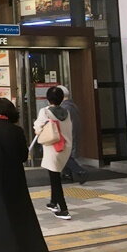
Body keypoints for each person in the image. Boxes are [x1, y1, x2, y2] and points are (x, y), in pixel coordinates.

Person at [0, 98, 48, 252]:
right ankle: (26, 245)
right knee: (19, 212)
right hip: (14, 179)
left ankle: (1, 246)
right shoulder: (17, 130)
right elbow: (23, 156)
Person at [33, 86, 73, 220]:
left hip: (53, 147)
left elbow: (38, 128)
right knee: (54, 174)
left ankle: (64, 209)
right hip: (65, 147)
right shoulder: (67, 112)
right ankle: (53, 202)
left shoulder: (45, 111)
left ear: (48, 98)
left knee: (55, 178)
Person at [59, 85, 88, 184]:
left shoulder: (65, 107)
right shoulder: (72, 106)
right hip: (72, 133)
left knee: (65, 155)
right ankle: (67, 174)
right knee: (66, 155)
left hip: (67, 134)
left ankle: (80, 171)